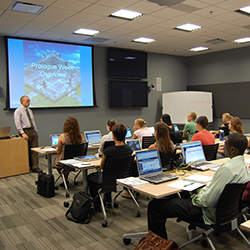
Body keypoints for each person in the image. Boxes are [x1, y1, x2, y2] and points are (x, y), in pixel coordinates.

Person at [147, 133, 250, 240]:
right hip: (227, 214)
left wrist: (194, 199)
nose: (223, 147)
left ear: (232, 149)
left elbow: (208, 201)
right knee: (183, 197)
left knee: (154, 206)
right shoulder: (244, 167)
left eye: (225, 145)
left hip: (206, 213)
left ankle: (158, 243)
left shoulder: (227, 169)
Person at [88, 124, 133, 211]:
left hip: (109, 179)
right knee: (109, 175)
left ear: (113, 136)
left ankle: (97, 205)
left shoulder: (108, 151)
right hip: (123, 178)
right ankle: (107, 201)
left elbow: (102, 166)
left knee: (91, 178)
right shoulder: (129, 149)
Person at [54, 116, 85, 185]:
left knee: (57, 161)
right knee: (65, 161)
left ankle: (65, 179)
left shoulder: (63, 136)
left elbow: (58, 151)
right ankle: (65, 179)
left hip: (66, 160)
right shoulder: (81, 136)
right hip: (78, 159)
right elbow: (83, 147)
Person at [14, 95, 40, 173]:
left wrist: (36, 131)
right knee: (26, 150)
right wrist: (22, 133)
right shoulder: (18, 111)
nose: (29, 102)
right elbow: (17, 123)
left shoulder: (30, 111)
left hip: (32, 130)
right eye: (27, 101)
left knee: (35, 149)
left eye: (29, 101)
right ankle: (27, 166)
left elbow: (32, 121)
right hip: (25, 131)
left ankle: (35, 167)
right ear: (22, 101)